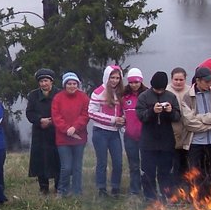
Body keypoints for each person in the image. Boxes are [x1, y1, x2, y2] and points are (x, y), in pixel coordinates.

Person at [179, 67, 211, 196]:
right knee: (195, 171)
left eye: (210, 81)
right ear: (198, 81)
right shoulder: (187, 97)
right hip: (195, 142)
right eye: (206, 81)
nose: (209, 83)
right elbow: (189, 123)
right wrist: (210, 123)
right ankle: (197, 196)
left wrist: (201, 118)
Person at [136, 71, 180, 201]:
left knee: (165, 171)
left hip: (166, 141)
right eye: (157, 89)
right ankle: (150, 197)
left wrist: (170, 111)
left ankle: (166, 195)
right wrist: (152, 111)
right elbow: (140, 116)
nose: (160, 92)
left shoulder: (171, 96)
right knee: (148, 172)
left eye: (162, 90)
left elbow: (178, 117)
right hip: (148, 142)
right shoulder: (144, 96)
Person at [88, 65, 125, 197]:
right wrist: (113, 119)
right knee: (102, 162)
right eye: (112, 78)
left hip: (115, 133)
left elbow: (124, 110)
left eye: (117, 78)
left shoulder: (121, 92)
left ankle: (115, 187)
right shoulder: (98, 92)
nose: (114, 81)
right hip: (100, 132)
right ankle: (101, 189)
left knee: (118, 162)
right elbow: (91, 113)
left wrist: (123, 119)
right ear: (106, 77)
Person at [52, 72, 89, 197]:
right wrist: (67, 129)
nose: (72, 86)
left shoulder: (84, 97)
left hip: (79, 138)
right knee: (66, 167)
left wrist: (75, 127)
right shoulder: (58, 98)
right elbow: (56, 117)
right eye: (69, 83)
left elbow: (85, 115)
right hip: (63, 139)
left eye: (74, 83)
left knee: (77, 167)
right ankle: (62, 191)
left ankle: (77, 191)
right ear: (65, 85)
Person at [26, 69, 60, 194]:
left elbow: (63, 111)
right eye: (41, 81)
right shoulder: (33, 95)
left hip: (55, 132)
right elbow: (29, 113)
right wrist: (40, 120)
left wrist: (51, 121)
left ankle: (58, 186)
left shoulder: (59, 94)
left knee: (57, 159)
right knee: (40, 160)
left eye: (46, 81)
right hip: (39, 132)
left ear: (51, 81)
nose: (43, 84)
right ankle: (43, 187)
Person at [121, 68, 146, 197]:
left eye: (136, 82)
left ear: (141, 81)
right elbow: (120, 113)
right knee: (134, 164)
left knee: (146, 164)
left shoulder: (147, 95)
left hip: (145, 136)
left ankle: (149, 189)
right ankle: (135, 190)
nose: (134, 85)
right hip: (130, 136)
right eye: (131, 82)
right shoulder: (124, 97)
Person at [168, 67, 190, 177]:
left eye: (181, 80)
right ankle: (173, 190)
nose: (178, 82)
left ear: (185, 79)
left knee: (187, 167)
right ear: (171, 79)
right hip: (171, 135)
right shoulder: (166, 92)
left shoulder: (191, 91)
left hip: (188, 135)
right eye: (176, 79)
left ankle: (187, 189)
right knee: (173, 166)